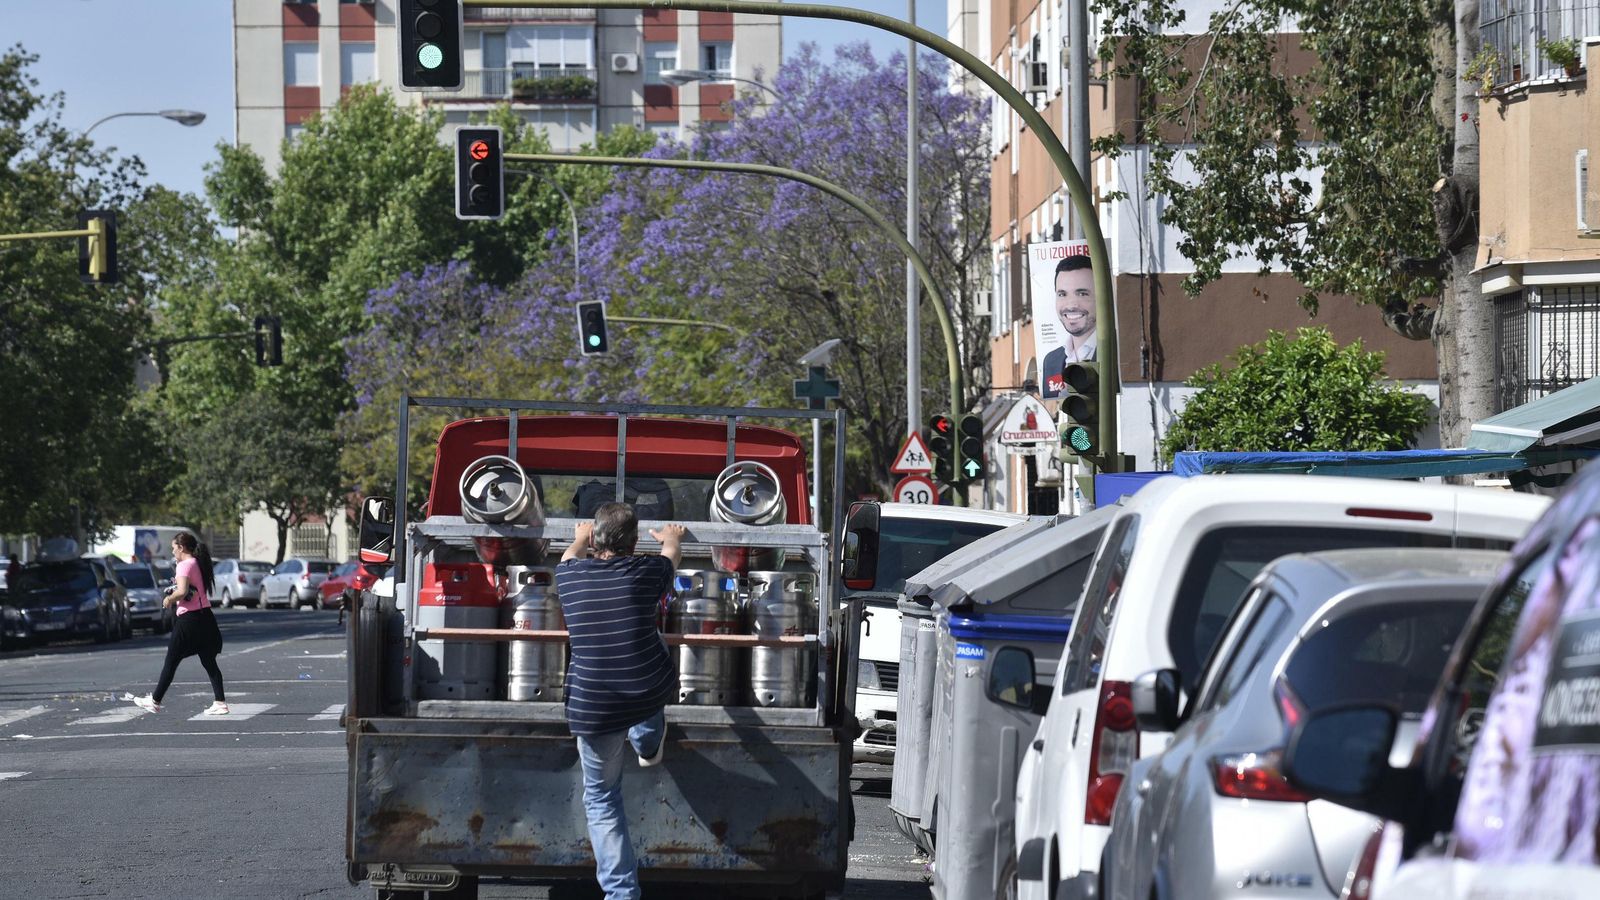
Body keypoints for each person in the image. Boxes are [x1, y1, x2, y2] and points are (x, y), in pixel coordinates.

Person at [555, 502, 685, 900]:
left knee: (601, 798)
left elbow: (567, 556)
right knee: (653, 649)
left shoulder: (569, 577)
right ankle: (647, 743)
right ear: (633, 542)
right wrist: (672, 538)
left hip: (594, 705)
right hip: (642, 691)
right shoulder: (645, 573)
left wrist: (579, 538)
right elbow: (670, 558)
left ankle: (622, 895)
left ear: (595, 539)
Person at [125, 533, 228, 715]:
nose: (172, 552)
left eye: (174, 548)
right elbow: (192, 589)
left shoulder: (184, 565)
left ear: (181, 548)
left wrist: (169, 598)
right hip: (205, 617)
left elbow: (182, 591)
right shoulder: (197, 563)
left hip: (189, 619)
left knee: (171, 660)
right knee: (208, 661)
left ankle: (155, 701)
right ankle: (220, 702)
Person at [1041, 254, 1097, 400]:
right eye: (1062, 294)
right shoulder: (1051, 360)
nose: (1071, 305)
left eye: (1082, 293)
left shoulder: (1115, 353)